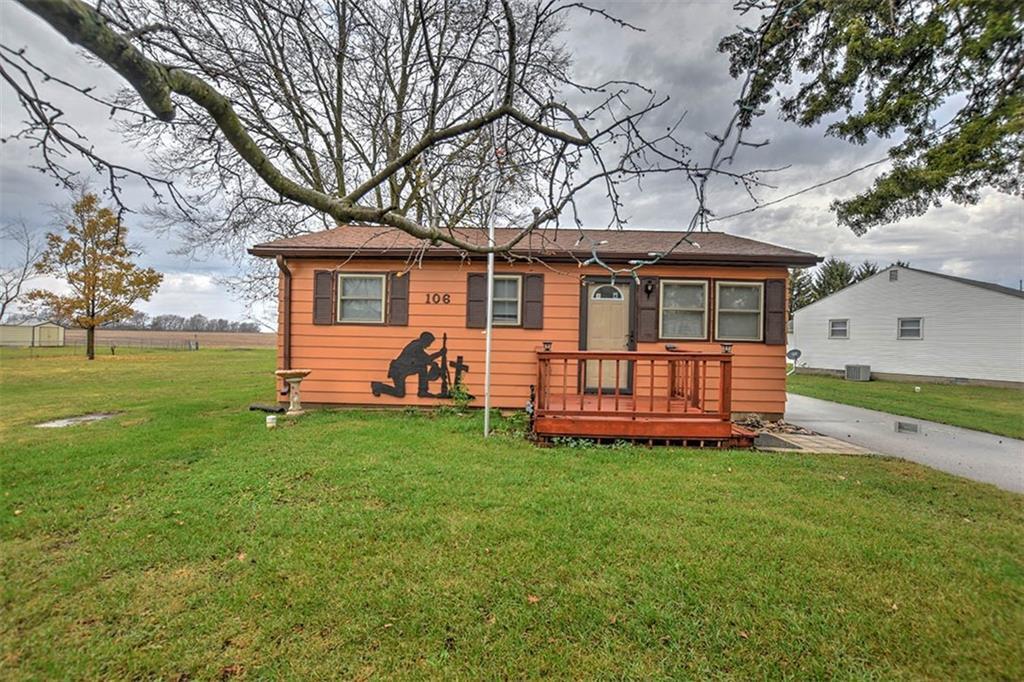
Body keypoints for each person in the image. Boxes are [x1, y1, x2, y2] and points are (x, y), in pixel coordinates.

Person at [370, 332, 445, 398]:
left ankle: (423, 391)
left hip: (403, 369)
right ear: (425, 340)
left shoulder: (417, 345)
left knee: (400, 393)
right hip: (398, 370)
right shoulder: (416, 346)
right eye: (429, 343)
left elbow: (425, 359)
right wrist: (440, 354)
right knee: (400, 393)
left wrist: (437, 357)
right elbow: (426, 359)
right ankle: (377, 386)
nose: (429, 345)